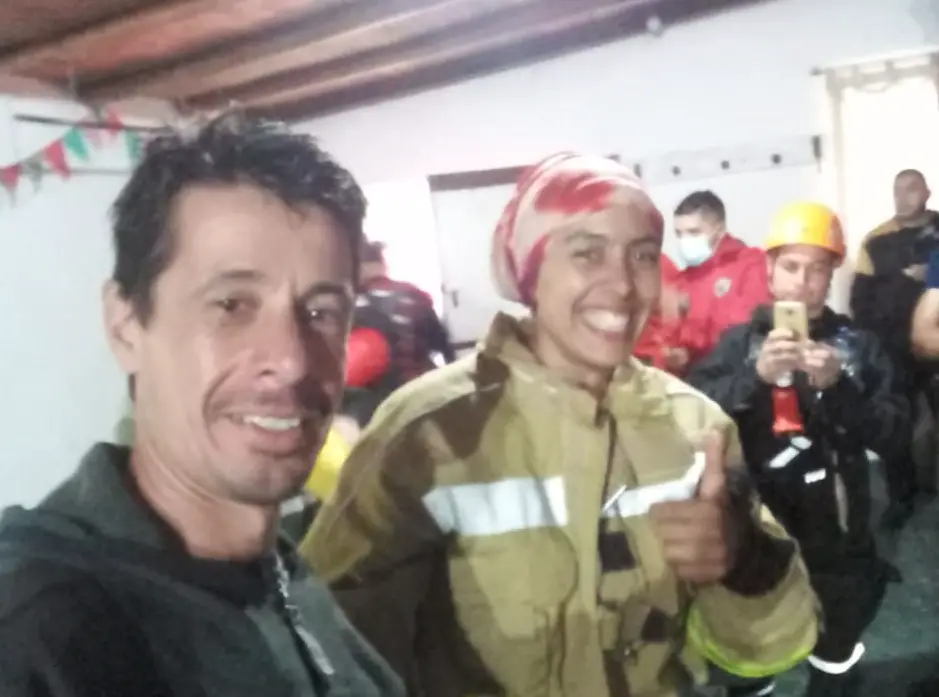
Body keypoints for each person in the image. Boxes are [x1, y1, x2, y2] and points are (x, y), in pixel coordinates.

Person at [300, 153, 820, 697]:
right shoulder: (426, 434)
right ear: (529, 271)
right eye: (587, 253)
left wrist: (745, 561)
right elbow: (330, 657)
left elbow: (769, 651)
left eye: (642, 255)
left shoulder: (696, 425)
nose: (623, 285)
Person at [0, 114, 403, 697]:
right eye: (232, 304)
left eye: (321, 312)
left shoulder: (280, 576)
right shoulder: (37, 637)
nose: (291, 360)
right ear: (125, 326)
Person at [687, 201, 907, 697]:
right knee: (751, 653)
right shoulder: (738, 344)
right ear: (769, 270)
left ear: (832, 275)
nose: (802, 282)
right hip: (758, 525)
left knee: (836, 655)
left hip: (837, 530)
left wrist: (839, 387)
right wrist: (755, 377)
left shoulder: (860, 347)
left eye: (817, 268)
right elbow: (694, 415)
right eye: (790, 266)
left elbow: (894, 434)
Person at [850, 169, 939, 526]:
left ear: (927, 192)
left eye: (911, 189)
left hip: (937, 348)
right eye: (897, 191)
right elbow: (859, 301)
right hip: (894, 350)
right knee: (896, 427)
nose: (903, 197)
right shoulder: (876, 241)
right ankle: (901, 498)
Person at [633, 191, 770, 375]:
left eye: (694, 232)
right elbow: (670, 341)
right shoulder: (683, 279)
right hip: (697, 381)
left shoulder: (751, 263)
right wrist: (674, 354)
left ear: (719, 229)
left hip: (740, 378)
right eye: (679, 234)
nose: (685, 241)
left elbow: (745, 328)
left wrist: (692, 340)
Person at [341, 240, 456, 426]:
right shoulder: (414, 295)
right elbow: (443, 345)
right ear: (382, 264)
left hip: (377, 409)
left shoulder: (349, 305)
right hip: (424, 395)